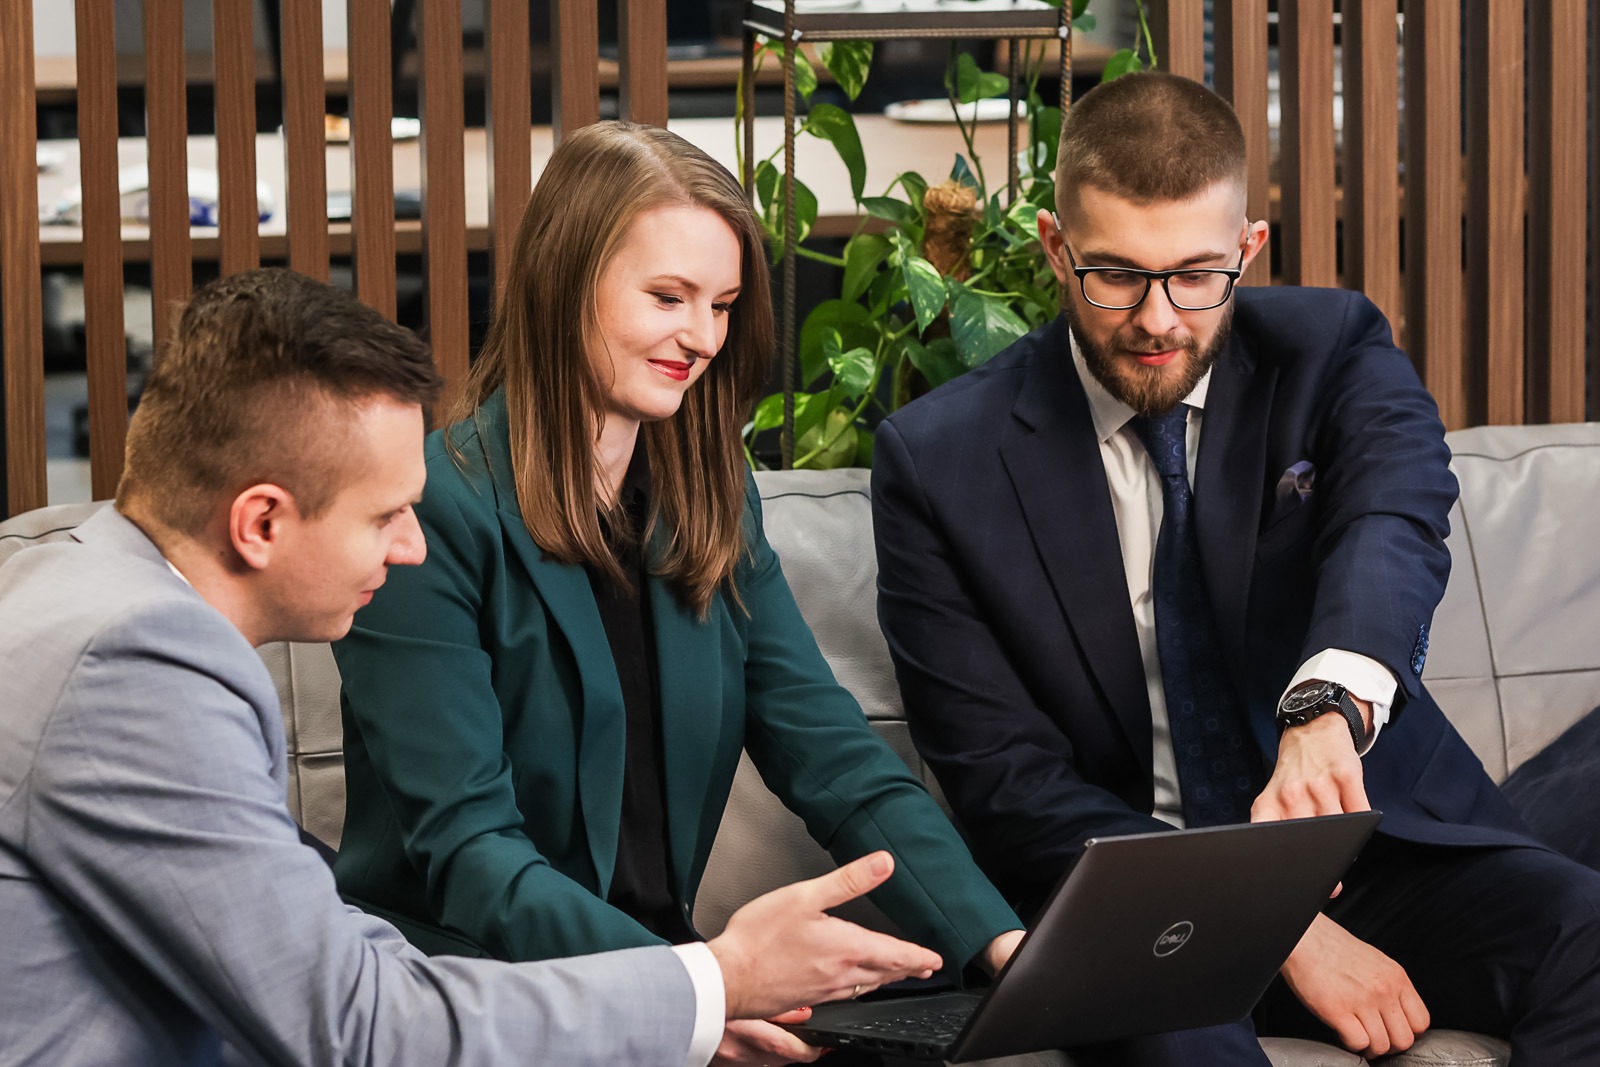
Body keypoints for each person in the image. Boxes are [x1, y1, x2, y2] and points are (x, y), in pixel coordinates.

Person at [0, 268, 947, 1066]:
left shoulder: (81, 579)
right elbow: (358, 1023)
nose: (413, 547)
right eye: (385, 516)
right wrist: (719, 976)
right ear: (261, 521)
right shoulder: (141, 671)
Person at [871, 71, 1600, 1066]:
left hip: (1368, 854)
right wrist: (1282, 928)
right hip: (1129, 889)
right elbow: (1007, 781)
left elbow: (1392, 517)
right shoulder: (936, 459)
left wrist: (1326, 711)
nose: (1158, 318)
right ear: (1054, 246)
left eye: (1196, 274)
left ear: (1247, 250)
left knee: (1584, 928)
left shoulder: (1331, 346)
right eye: (1115, 274)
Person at [330, 121, 1025, 1065]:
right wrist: (695, 991)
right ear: (565, 282)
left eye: (724, 304)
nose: (701, 339)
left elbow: (833, 756)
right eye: (668, 297)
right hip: (481, 998)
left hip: (672, 977)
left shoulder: (710, 490)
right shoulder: (433, 508)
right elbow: (469, 856)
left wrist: (1002, 945)